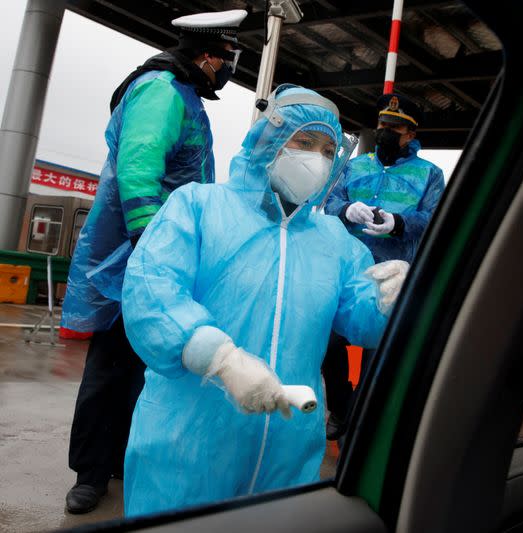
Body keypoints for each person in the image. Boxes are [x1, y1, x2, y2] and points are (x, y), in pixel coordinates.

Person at [119, 84, 408, 517]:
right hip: (187, 439)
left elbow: (362, 316)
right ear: (268, 141)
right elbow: (151, 289)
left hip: (289, 449)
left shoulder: (334, 240)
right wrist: (218, 358)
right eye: (304, 142)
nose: (317, 158)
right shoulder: (199, 206)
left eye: (329, 149)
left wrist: (392, 298)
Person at [61, 9, 247, 514]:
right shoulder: (162, 89)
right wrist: (150, 247)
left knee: (145, 364)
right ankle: (91, 473)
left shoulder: (183, 93)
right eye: (229, 57)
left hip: (163, 254)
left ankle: (119, 457)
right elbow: (138, 169)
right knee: (114, 362)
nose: (230, 68)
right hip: (138, 255)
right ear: (209, 56)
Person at [321, 92, 446, 440]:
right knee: (329, 343)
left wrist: (400, 223)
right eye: (382, 125)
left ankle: (359, 425)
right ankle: (343, 408)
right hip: (346, 274)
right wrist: (346, 210)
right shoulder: (355, 166)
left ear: (411, 134)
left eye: (395, 127)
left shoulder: (430, 175)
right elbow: (330, 201)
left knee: (378, 358)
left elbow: (436, 219)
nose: (386, 131)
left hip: (393, 280)